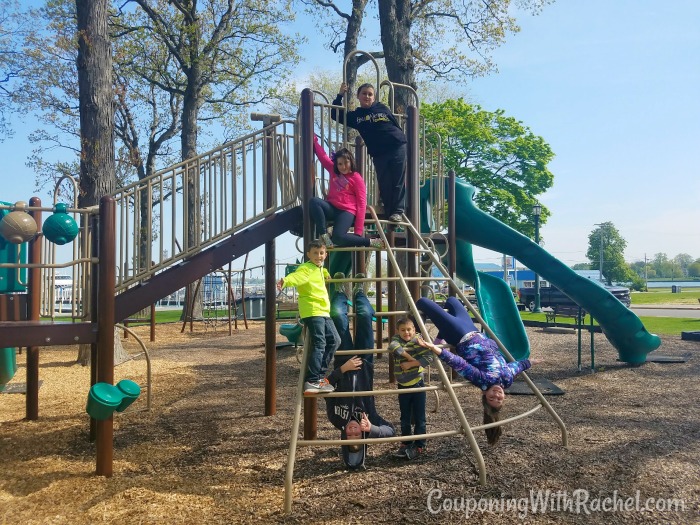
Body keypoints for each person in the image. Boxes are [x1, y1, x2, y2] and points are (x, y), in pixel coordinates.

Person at [415, 297, 538, 445]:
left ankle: (422, 334)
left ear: (485, 394)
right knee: (452, 301)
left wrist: (436, 349)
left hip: (458, 334)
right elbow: (516, 367)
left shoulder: (482, 380)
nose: (496, 395)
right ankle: (441, 336)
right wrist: (530, 362)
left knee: (422, 302)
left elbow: (459, 364)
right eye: (499, 399)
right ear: (504, 396)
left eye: (491, 398)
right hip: (473, 329)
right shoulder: (507, 380)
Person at [326, 275, 395, 468]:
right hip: (365, 361)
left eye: (349, 436)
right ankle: (359, 291)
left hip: (343, 359)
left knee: (337, 314)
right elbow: (392, 431)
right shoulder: (370, 417)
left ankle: (340, 292)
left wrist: (343, 369)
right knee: (364, 314)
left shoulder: (336, 418)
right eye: (358, 435)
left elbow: (325, 386)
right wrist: (372, 428)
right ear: (362, 434)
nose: (353, 431)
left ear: (344, 436)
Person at [330, 82, 407, 222]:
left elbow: (394, 123)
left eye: (370, 94)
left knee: (397, 180)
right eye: (364, 93)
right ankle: (390, 213)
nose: (367, 96)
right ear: (358, 96)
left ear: (374, 97)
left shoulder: (382, 108)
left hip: (396, 145)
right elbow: (335, 114)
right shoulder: (356, 116)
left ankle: (398, 211)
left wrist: (401, 137)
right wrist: (340, 95)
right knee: (384, 181)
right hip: (379, 152)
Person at [277, 240, 341, 394]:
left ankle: (319, 377)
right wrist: (285, 281)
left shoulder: (319, 268)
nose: (318, 256)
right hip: (312, 310)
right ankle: (312, 379)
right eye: (315, 253)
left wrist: (326, 273)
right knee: (320, 343)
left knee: (335, 340)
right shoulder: (306, 268)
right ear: (308, 255)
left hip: (323, 311)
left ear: (326, 254)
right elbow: (297, 277)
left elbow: (320, 271)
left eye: (321, 253)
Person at [311, 136, 384, 249]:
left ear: (351, 162)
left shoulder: (356, 178)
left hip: (346, 211)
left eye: (346, 163)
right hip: (332, 207)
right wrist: (314, 140)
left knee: (338, 238)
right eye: (340, 164)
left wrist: (358, 231)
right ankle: (325, 236)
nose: (343, 167)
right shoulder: (333, 170)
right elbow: (323, 156)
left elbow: (361, 203)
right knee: (314, 201)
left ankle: (371, 242)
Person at [388, 317, 433, 459]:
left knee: (420, 417)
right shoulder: (397, 339)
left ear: (414, 330)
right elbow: (392, 346)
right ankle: (406, 442)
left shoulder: (417, 341)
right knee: (405, 417)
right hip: (403, 385)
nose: (406, 333)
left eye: (409, 329)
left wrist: (411, 364)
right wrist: (409, 357)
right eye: (403, 330)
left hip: (417, 383)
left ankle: (420, 444)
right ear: (398, 331)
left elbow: (429, 357)